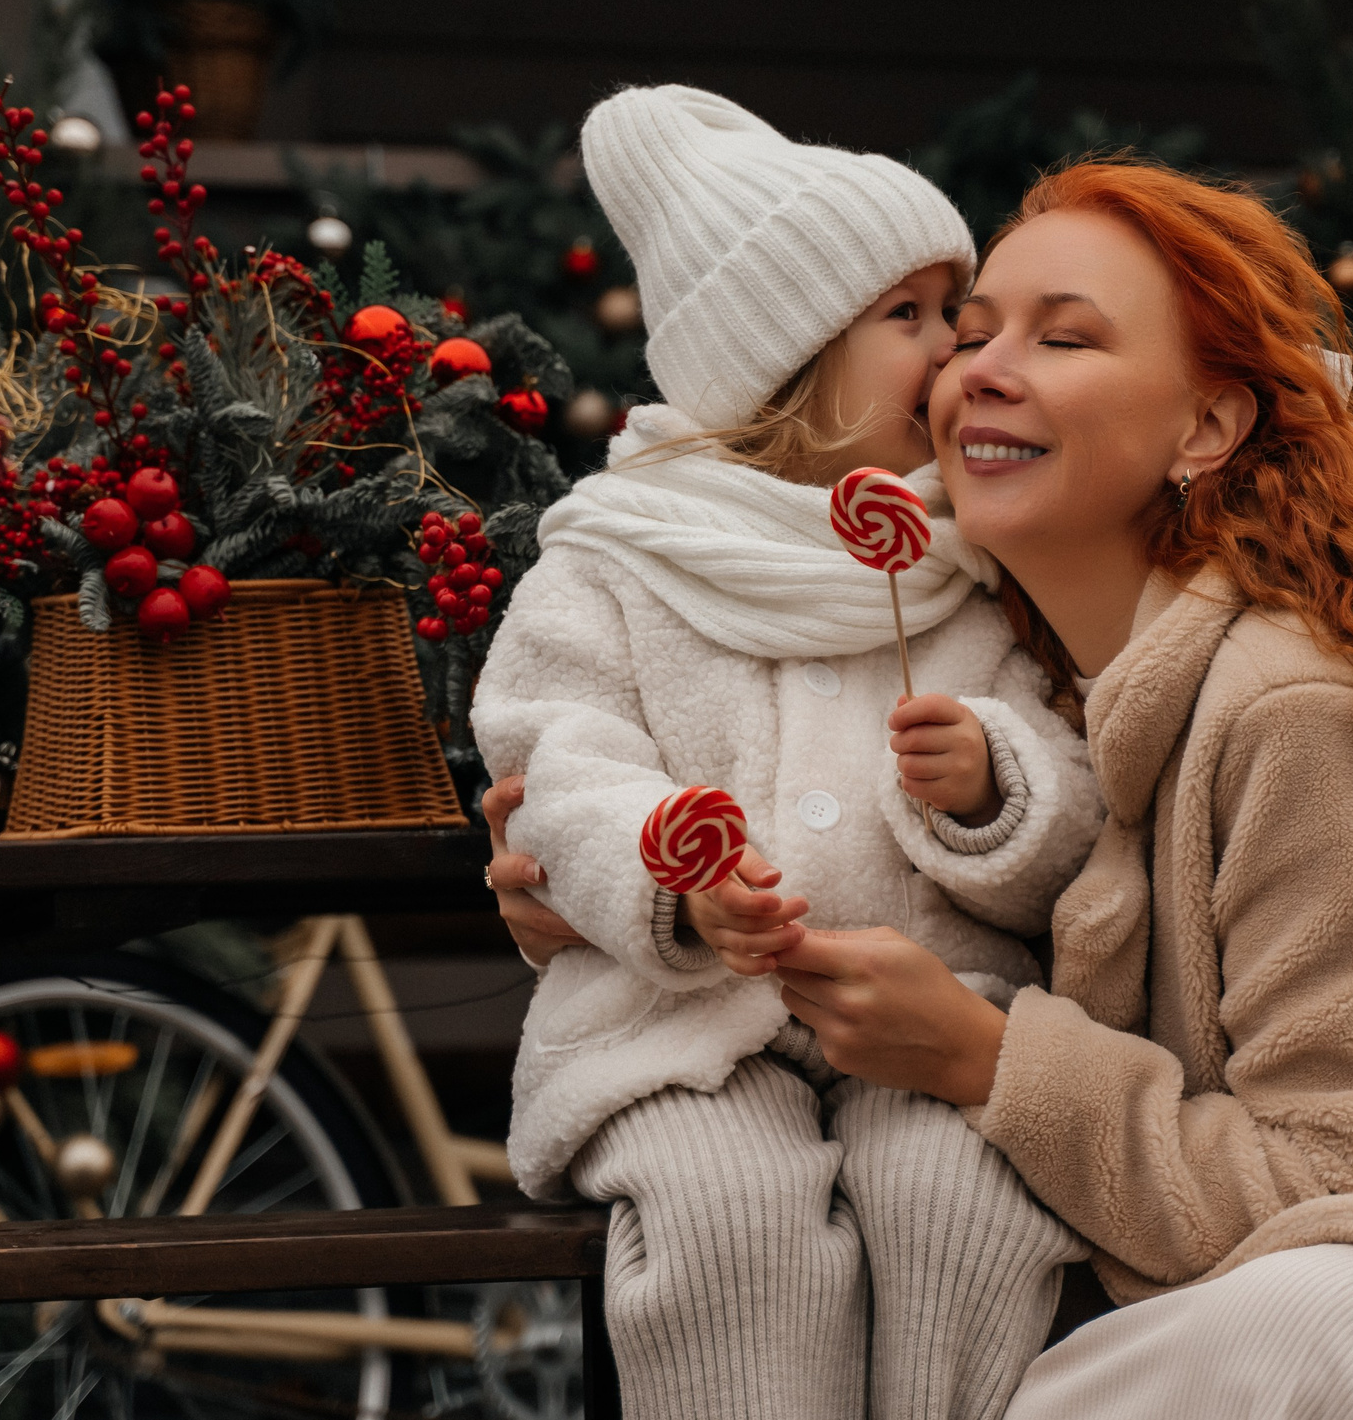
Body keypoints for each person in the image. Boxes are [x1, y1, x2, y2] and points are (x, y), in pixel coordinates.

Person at [485, 158, 1353, 1419]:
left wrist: (984, 1058)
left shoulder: (1303, 707)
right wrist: (597, 883)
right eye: (971, 332)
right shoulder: (1064, 701)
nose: (979, 366)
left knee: (1229, 1345)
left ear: (1206, 425)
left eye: (1066, 335)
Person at [468, 86, 1099, 1420]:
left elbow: (1072, 770)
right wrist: (669, 871)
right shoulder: (623, 550)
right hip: (687, 1023)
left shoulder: (974, 555)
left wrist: (992, 786)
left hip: (928, 1009)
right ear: (790, 355)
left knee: (968, 1202)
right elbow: (556, 757)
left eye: (956, 311)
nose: (955, 350)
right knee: (725, 1215)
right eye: (911, 317)